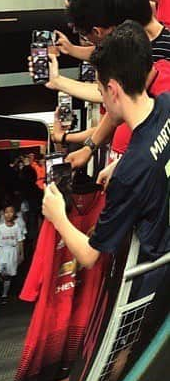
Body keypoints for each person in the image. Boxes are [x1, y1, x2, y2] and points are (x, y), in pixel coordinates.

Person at [42, 22, 170, 289]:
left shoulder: (130, 174)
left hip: (157, 281)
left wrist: (57, 216)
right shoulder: (167, 103)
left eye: (100, 91)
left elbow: (90, 255)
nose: (100, 96)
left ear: (112, 90)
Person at [0, 205, 25, 300]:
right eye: (6, 212)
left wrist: (21, 254)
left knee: (8, 275)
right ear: (3, 214)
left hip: (12, 251)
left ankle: (4, 295)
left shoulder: (17, 227)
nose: (8, 214)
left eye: (11, 212)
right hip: (1, 251)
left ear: (14, 214)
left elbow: (20, 241)